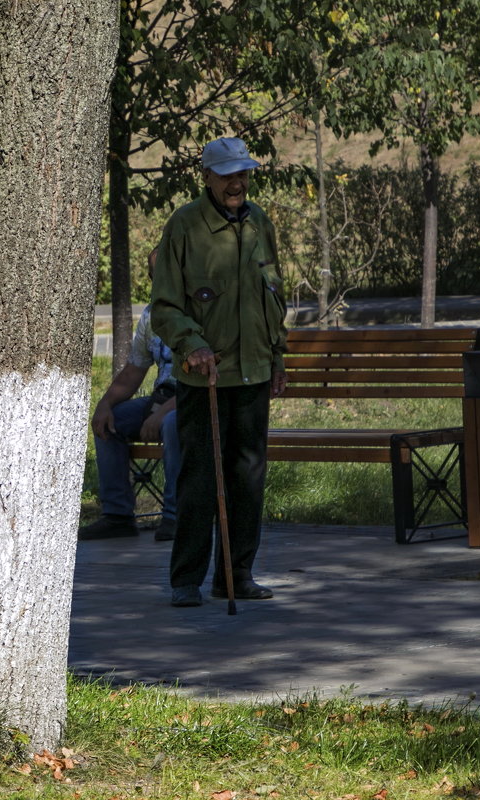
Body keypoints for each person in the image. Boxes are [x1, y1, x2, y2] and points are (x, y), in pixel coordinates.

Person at [150, 137, 288, 608]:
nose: (237, 182)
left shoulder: (260, 222)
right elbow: (165, 306)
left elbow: (274, 297)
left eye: (244, 173)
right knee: (200, 480)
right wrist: (193, 344)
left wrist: (279, 356)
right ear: (206, 177)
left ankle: (237, 575)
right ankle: (186, 578)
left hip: (253, 373)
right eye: (228, 174)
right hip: (203, 377)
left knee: (248, 477)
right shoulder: (185, 225)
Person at [79, 250, 181, 542]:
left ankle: (176, 516)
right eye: (155, 275)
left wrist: (162, 414)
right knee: (109, 422)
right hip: (163, 399)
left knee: (173, 424)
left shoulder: (201, 311)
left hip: (197, 401)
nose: (162, 281)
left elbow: (203, 381)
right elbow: (134, 370)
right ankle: (118, 516)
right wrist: (105, 404)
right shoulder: (151, 315)